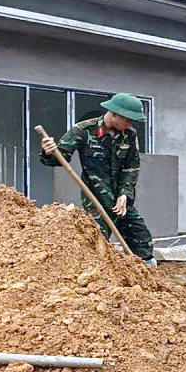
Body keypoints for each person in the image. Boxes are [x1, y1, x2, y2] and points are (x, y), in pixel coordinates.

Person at [39, 93, 155, 266]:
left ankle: (145, 274)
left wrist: (124, 194)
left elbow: (131, 167)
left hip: (121, 201)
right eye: (128, 120)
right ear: (114, 113)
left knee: (141, 239)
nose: (130, 124)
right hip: (96, 200)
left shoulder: (129, 135)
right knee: (98, 244)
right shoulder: (83, 130)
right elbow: (59, 157)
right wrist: (49, 151)